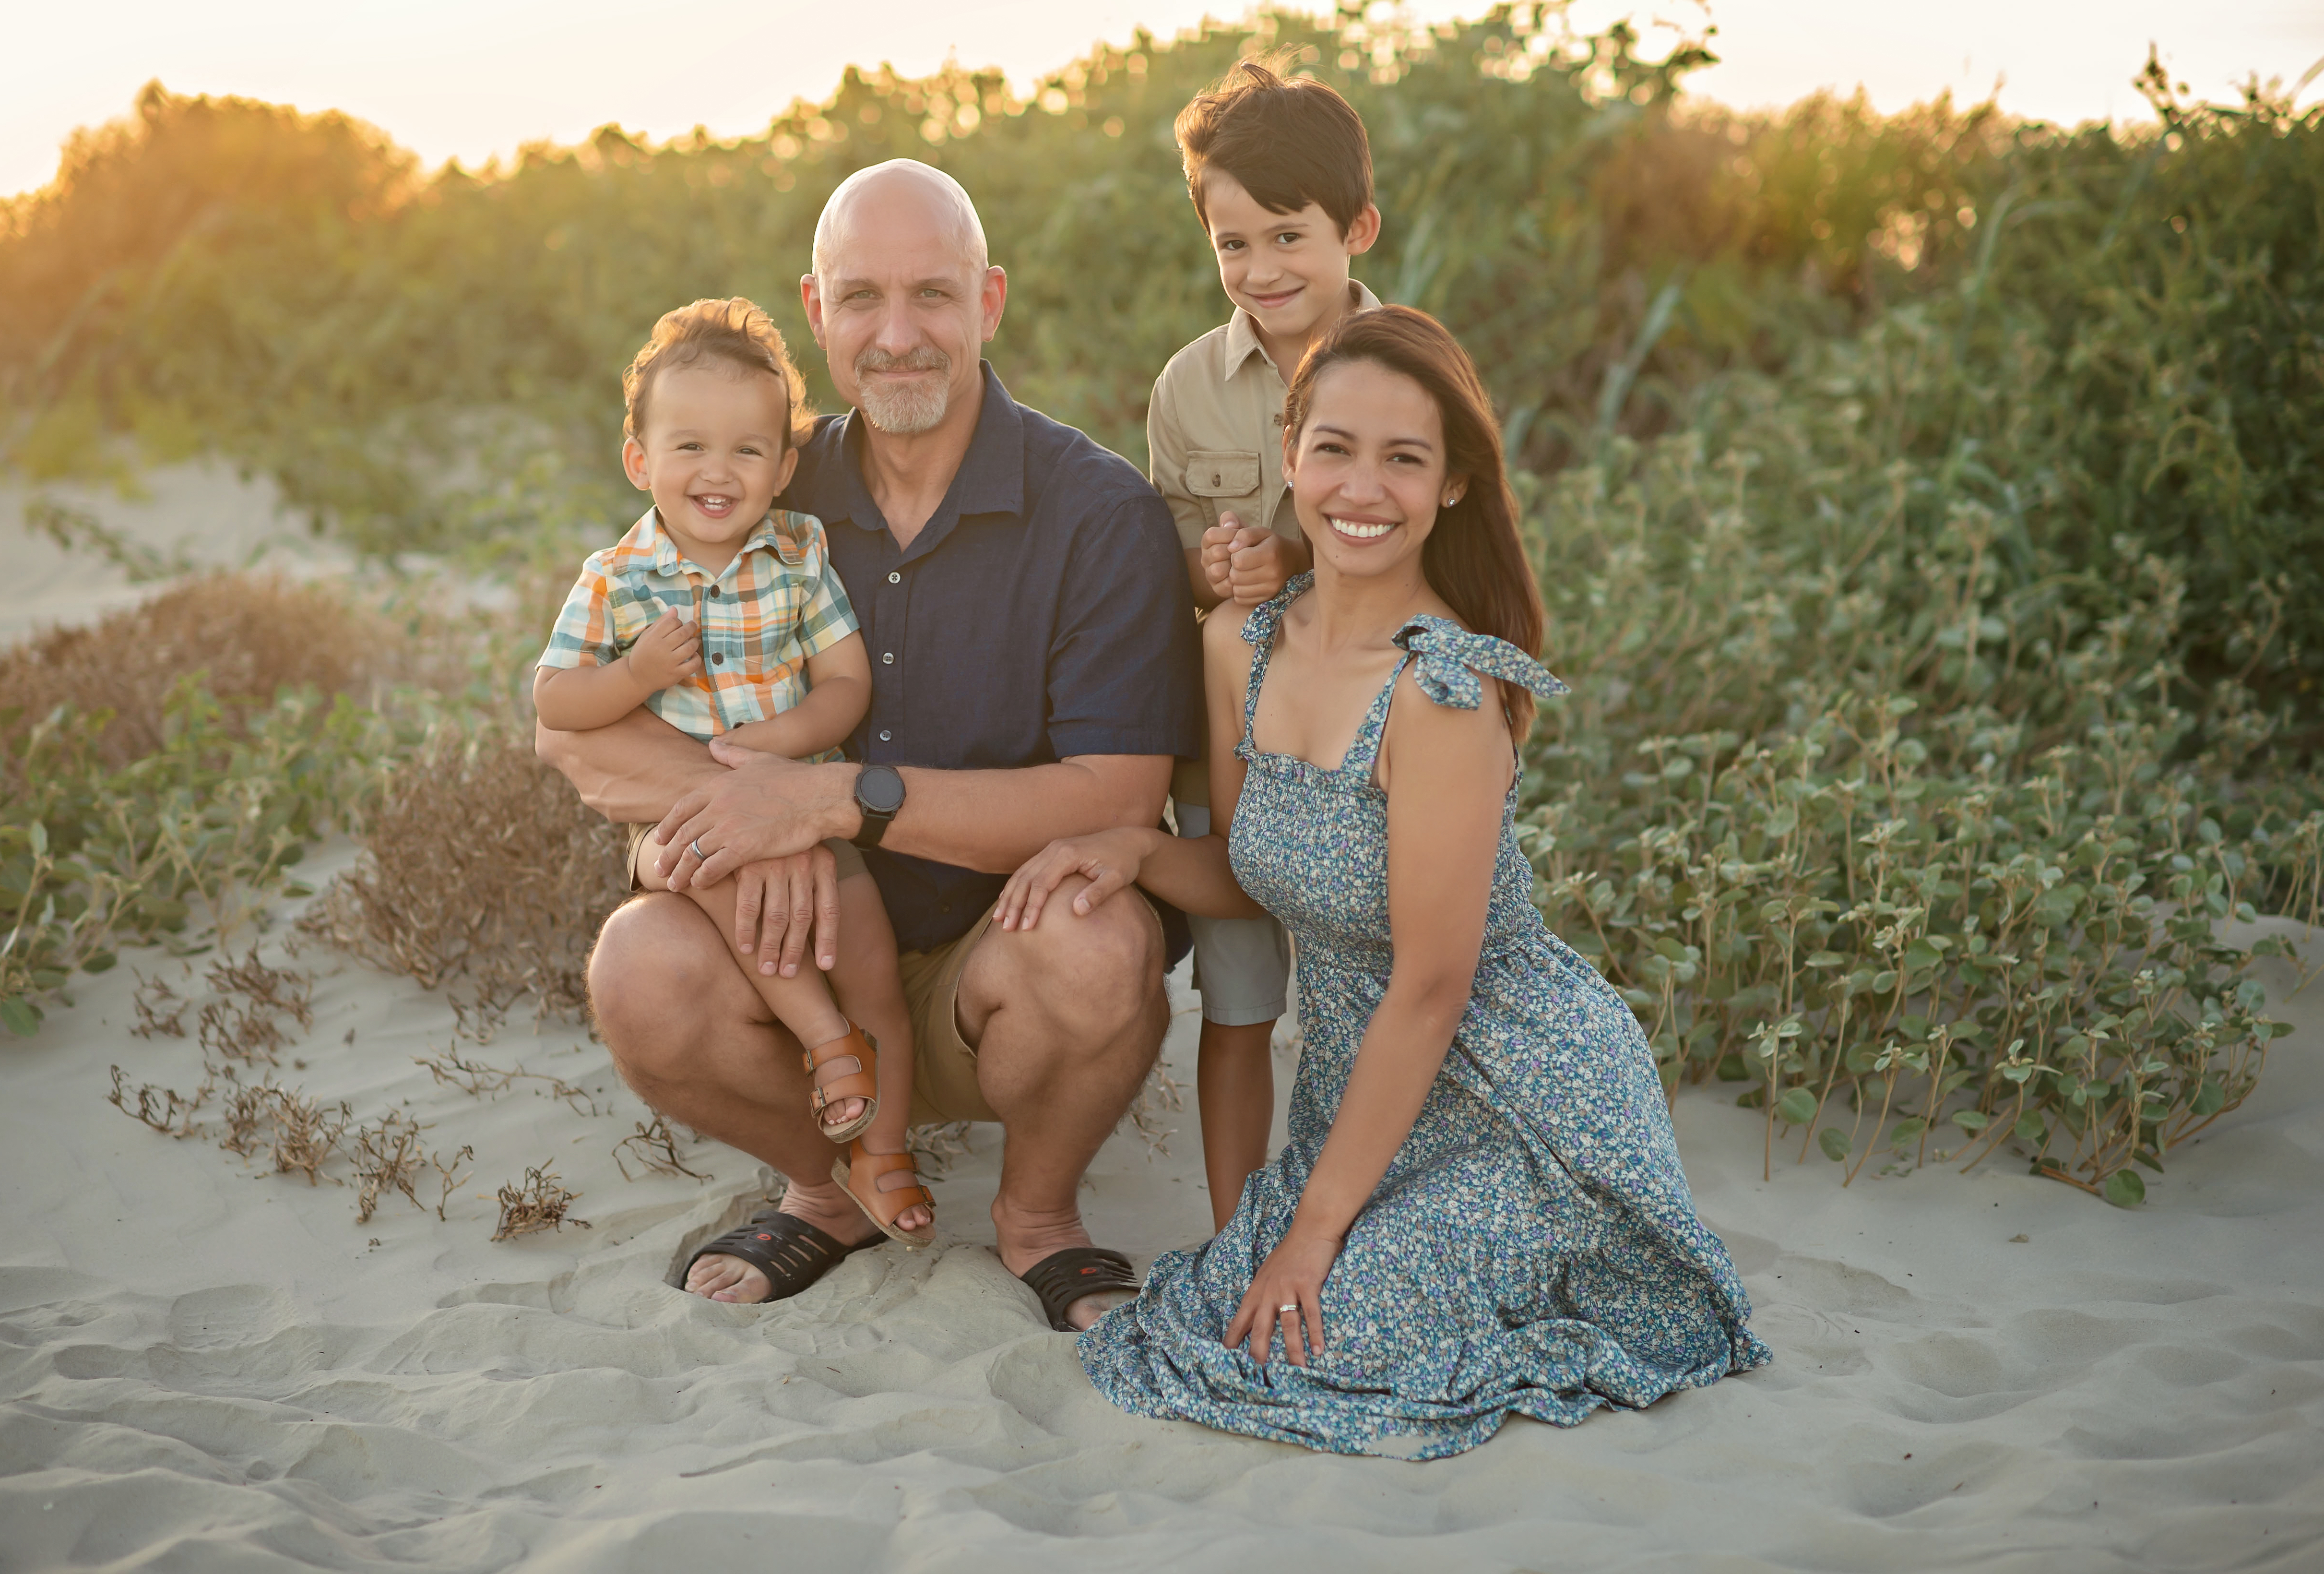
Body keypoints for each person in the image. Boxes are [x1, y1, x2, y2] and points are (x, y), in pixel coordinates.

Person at [993, 305, 1770, 1458]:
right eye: (1336, 448)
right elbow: (1256, 872)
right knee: (1226, 1312)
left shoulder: (1443, 691)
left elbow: (1430, 986)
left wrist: (1312, 1233)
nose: (1364, 487)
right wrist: (1136, 851)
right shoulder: (1239, 644)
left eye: (1405, 457)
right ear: (1292, 456)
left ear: (1452, 483)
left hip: (1522, 1096)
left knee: (1321, 1327)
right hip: (1366, 1096)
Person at [535, 160, 1201, 1333]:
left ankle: (1038, 1215)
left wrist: (840, 799)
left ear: (989, 302)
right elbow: (572, 732)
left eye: (933, 296)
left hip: (999, 965)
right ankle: (829, 1184)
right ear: (816, 310)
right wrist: (759, 813)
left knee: (1101, 944)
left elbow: (1117, 793)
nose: (899, 337)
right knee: (638, 966)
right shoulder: (750, 476)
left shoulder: (1098, 516)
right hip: (790, 957)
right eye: (862, 300)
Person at [533, 297, 932, 1249]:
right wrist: (634, 675)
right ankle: (827, 1044)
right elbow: (554, 699)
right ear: (640, 459)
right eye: (688, 447)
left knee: (868, 965)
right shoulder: (617, 578)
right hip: (694, 827)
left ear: (784, 467)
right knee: (745, 907)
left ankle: (884, 1151)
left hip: (805, 808)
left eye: (748, 450)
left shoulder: (799, 554)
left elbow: (844, 684)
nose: (717, 471)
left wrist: (775, 754)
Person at [1148, 61, 1384, 1229]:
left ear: (1356, 229)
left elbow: (1454, 561)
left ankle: (1364, 1219)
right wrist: (1220, 567)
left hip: (1372, 749)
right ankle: (1239, 1234)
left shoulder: (1414, 371)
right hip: (1230, 750)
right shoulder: (1188, 388)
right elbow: (1181, 566)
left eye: (1287, 235)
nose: (1261, 271)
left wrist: (1297, 560)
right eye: (1231, 243)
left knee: (1373, 1003)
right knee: (1237, 1004)